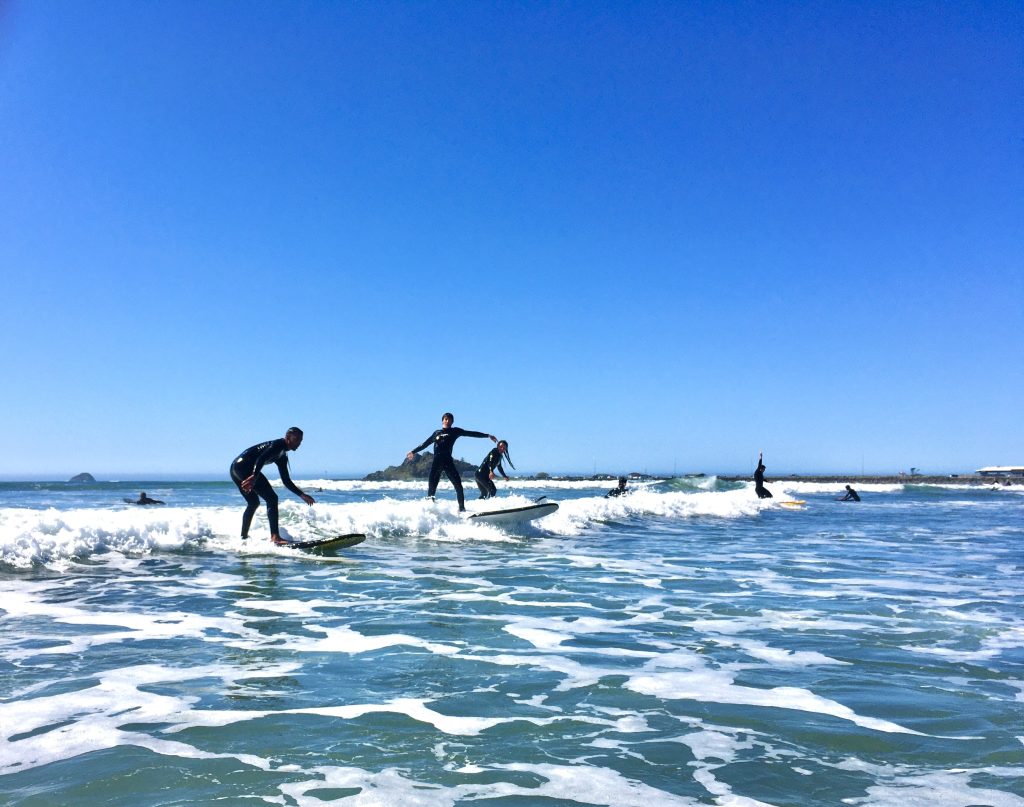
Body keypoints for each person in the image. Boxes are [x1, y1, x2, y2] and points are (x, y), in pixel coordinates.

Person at [230, 427, 315, 544]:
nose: (299, 443)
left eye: (300, 440)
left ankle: (243, 538)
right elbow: (261, 458)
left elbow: (286, 480)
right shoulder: (277, 445)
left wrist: (302, 494)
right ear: (288, 437)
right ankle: (275, 537)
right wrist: (254, 477)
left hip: (235, 468)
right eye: (297, 439)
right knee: (272, 498)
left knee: (253, 503)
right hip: (244, 468)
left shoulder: (282, 456)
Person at [407, 412, 496, 512]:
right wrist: (413, 451)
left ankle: (462, 509)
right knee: (432, 488)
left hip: (448, 462)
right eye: (445, 419)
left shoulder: (455, 431)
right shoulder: (436, 433)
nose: (447, 421)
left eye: (449, 419)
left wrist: (487, 435)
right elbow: (425, 444)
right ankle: (429, 511)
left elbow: (471, 433)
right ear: (442, 420)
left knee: (458, 486)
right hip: (436, 462)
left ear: (452, 422)